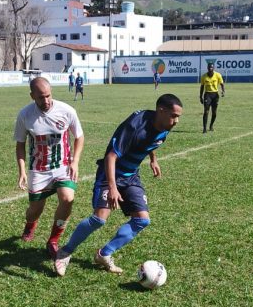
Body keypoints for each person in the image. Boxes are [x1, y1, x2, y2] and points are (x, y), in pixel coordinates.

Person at [54, 94, 184, 277]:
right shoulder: (135, 125)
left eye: (178, 116)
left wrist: (153, 160)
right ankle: (65, 252)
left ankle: (104, 254)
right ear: (161, 111)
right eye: (174, 115)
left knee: (142, 220)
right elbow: (111, 157)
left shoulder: (165, 125)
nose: (176, 121)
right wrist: (113, 188)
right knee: (99, 218)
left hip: (131, 176)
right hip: (110, 173)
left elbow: (153, 141)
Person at [15, 77, 85, 258]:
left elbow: (79, 136)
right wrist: (22, 171)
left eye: (48, 96)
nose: (45, 101)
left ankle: (53, 240)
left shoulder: (67, 111)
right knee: (34, 211)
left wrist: (75, 161)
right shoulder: (25, 115)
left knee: (68, 198)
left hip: (62, 166)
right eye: (40, 97)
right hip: (38, 169)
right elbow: (20, 144)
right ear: (32, 96)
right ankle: (30, 224)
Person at [199, 62, 224, 133]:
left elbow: (222, 84)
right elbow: (202, 87)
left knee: (214, 113)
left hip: (215, 95)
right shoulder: (204, 76)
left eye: (212, 67)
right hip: (207, 94)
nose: (210, 68)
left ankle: (211, 126)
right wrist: (200, 96)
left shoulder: (218, 75)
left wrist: (223, 91)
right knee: (206, 112)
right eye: (209, 67)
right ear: (207, 68)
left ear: (214, 68)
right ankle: (204, 129)